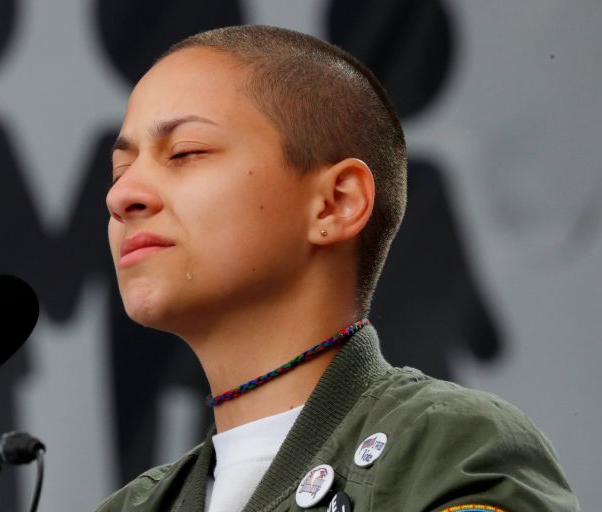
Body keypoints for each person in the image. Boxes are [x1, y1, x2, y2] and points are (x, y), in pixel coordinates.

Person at [95, 25, 578, 511]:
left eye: (185, 153)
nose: (121, 196)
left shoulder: (449, 449)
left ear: (334, 204)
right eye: (120, 171)